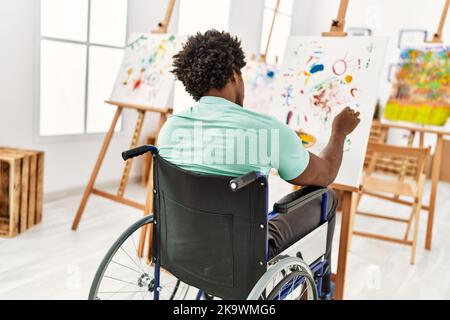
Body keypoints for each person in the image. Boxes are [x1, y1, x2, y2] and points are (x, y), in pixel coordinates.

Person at [157, 30, 360, 295]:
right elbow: (326, 173)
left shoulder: (169, 130)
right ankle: (323, 288)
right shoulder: (266, 130)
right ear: (233, 75)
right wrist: (339, 132)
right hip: (241, 259)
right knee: (327, 197)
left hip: (181, 252)